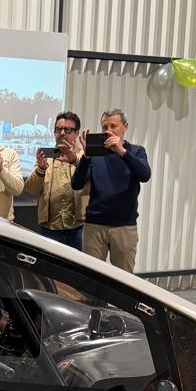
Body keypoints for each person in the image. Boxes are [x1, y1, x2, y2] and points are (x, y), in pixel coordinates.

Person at [72, 107, 151, 272]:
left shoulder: (136, 151)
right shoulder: (94, 154)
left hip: (124, 226)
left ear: (125, 127)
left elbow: (144, 175)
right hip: (94, 225)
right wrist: (86, 157)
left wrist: (122, 152)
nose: (108, 131)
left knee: (124, 279)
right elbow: (77, 184)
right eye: (104, 127)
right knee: (91, 277)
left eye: (113, 126)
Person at [26, 111, 88, 249]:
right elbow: (31, 189)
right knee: (49, 263)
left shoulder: (84, 156)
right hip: (50, 228)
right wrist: (41, 169)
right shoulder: (46, 156)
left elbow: (91, 183)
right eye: (58, 129)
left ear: (76, 133)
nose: (62, 133)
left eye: (67, 130)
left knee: (78, 263)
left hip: (78, 227)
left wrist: (76, 161)